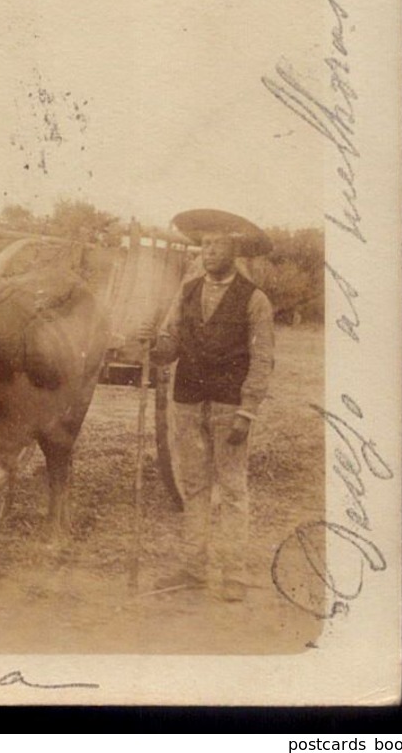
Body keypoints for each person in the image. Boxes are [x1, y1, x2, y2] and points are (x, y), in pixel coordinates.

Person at [144, 230, 276, 602]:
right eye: (205, 245)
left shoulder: (254, 300)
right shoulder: (186, 293)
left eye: (217, 245)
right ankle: (192, 568)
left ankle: (234, 572)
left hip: (228, 405)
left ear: (235, 251)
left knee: (233, 489)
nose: (209, 251)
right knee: (195, 485)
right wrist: (155, 345)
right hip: (188, 401)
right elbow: (169, 344)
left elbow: (263, 359)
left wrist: (247, 410)